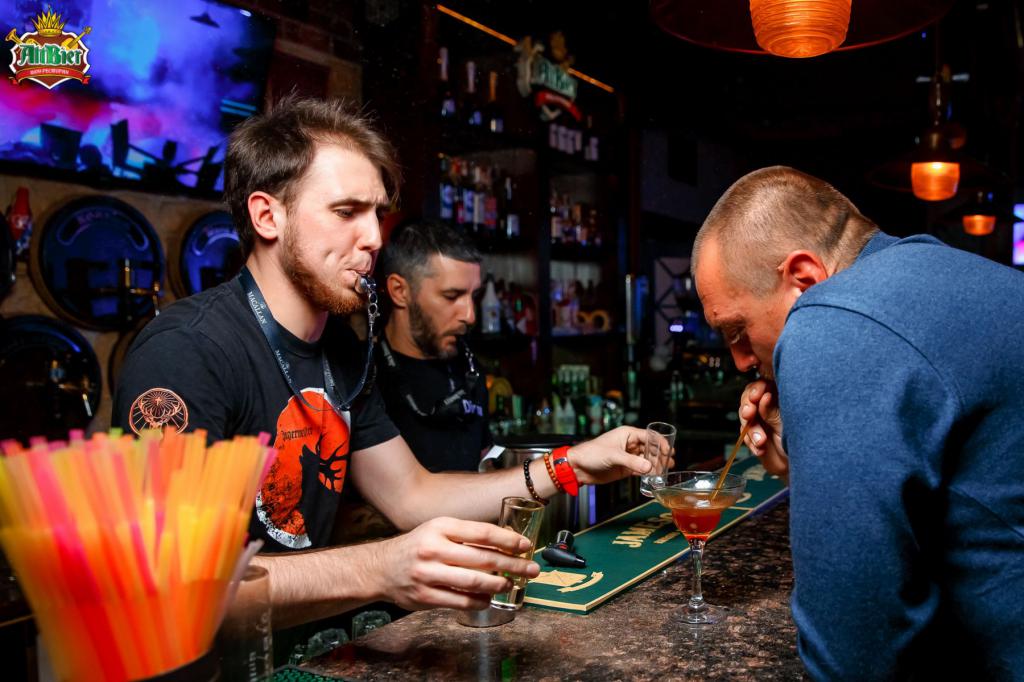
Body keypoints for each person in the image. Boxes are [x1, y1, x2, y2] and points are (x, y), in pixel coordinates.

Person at [112, 96, 655, 630]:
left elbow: (412, 495)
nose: (374, 238)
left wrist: (572, 465)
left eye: (376, 214)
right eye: (346, 212)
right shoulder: (185, 352)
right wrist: (381, 568)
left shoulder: (342, 348)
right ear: (267, 216)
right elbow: (172, 583)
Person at [691, 166, 1024, 680]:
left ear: (805, 280)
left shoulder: (834, 320)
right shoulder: (946, 275)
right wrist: (805, 460)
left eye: (737, 331)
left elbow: (854, 648)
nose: (740, 361)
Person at [373, 221, 492, 473]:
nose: (470, 315)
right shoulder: (365, 378)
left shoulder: (470, 370)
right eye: (452, 296)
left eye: (474, 296)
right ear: (399, 291)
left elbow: (484, 463)